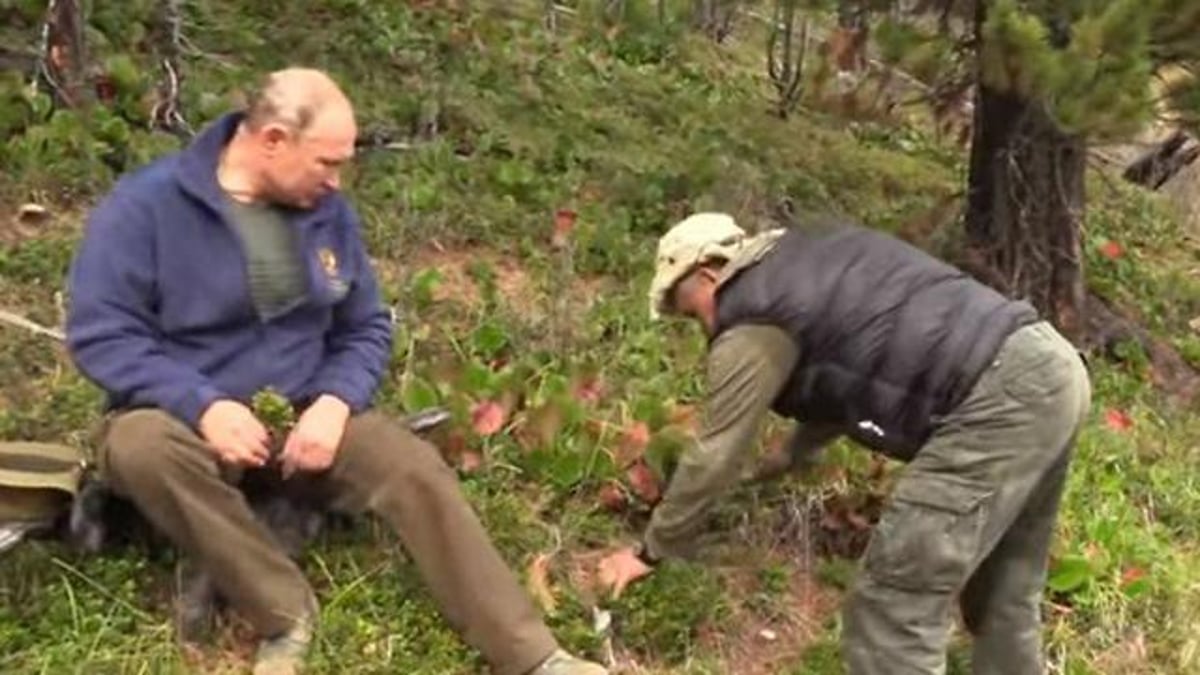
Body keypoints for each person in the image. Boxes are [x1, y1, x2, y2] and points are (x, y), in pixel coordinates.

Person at [64, 67, 607, 675]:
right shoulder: (144, 208)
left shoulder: (328, 214)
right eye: (326, 163)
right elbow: (102, 334)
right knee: (140, 445)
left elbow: (365, 326)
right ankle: (285, 614)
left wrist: (333, 402)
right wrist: (202, 404)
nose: (337, 180)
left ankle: (531, 654)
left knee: (410, 466)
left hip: (304, 417)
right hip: (186, 422)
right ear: (272, 139)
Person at [597, 212, 1091, 674]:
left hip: (993, 397)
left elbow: (715, 452)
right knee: (1007, 588)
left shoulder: (751, 316)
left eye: (692, 314)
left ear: (709, 275)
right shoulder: (804, 260)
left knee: (894, 604)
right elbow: (851, 371)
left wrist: (648, 552)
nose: (703, 328)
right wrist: (788, 456)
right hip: (1048, 365)